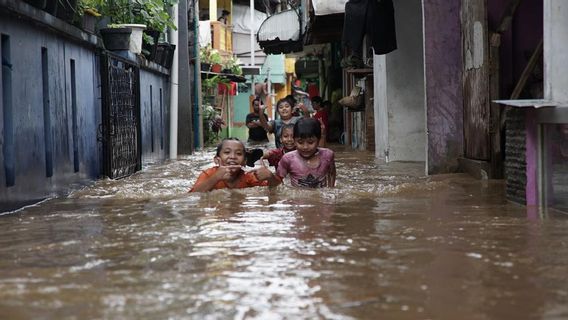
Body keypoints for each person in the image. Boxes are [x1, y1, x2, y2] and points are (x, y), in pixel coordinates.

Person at [189, 138, 280, 192]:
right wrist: (216, 177)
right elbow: (193, 195)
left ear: (245, 162)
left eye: (239, 154)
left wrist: (270, 176)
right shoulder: (209, 174)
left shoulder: (248, 178)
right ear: (217, 160)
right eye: (227, 152)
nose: (232, 157)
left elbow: (278, 189)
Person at [276, 118, 336, 188]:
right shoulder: (288, 159)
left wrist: (331, 189)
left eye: (310, 142)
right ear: (294, 141)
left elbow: (332, 173)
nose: (305, 147)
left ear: (318, 140)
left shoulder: (327, 155)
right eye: (300, 142)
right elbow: (278, 180)